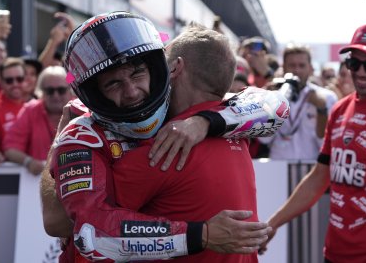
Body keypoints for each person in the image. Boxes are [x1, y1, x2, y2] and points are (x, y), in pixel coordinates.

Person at [44, 12, 288, 262]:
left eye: (137, 74)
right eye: (113, 84)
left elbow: (277, 107)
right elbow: (78, 228)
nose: (131, 92)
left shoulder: (212, 114)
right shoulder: (83, 133)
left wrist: (203, 122)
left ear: (163, 70)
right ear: (95, 93)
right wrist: (200, 235)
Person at [111, 23, 288, 263]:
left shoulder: (164, 148)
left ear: (175, 68)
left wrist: (70, 134)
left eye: (161, 64)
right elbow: (272, 104)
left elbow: (73, 221)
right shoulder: (238, 130)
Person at [259, 21, 366, 262]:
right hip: (334, 253)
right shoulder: (339, 110)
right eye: (353, 63)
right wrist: (272, 224)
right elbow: (319, 177)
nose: (360, 72)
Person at [259, 44, 338, 160]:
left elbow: (326, 144)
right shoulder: (272, 95)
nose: (297, 70)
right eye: (292, 65)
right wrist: (269, 105)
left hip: (311, 169)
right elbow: (264, 139)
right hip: (278, 169)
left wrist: (321, 110)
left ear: (310, 68)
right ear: (284, 67)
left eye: (302, 65)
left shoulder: (327, 97)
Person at [4, 66, 73, 175]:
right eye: (50, 91)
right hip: (39, 183)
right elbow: (10, 148)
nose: (56, 95)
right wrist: (28, 162)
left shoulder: (81, 109)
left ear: (70, 90)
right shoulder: (30, 110)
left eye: (61, 90)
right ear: (42, 92)